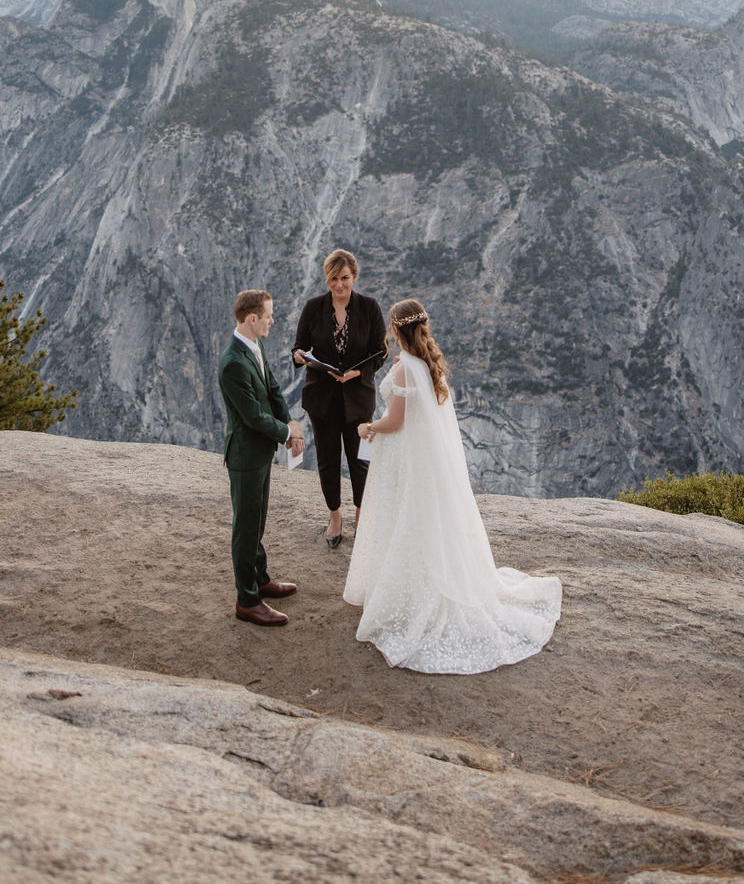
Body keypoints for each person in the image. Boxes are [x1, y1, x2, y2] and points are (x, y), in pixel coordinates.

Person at [344, 298, 562, 673]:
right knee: (422, 522)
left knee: (402, 520)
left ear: (395, 330)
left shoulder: (403, 371)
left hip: (404, 458)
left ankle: (411, 594)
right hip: (421, 458)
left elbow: (395, 421)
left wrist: (368, 427)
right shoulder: (428, 366)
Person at [218, 289, 305, 626]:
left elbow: (271, 389)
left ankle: (261, 578)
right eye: (268, 315)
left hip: (260, 452)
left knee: (257, 519)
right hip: (245, 455)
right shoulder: (232, 365)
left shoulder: (254, 347)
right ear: (252, 319)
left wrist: (289, 422)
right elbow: (253, 415)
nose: (273, 320)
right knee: (245, 526)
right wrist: (287, 434)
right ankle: (247, 600)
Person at [292, 249, 387, 548]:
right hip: (322, 398)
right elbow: (298, 349)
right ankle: (334, 515)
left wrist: (357, 372)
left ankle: (361, 514)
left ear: (354, 277)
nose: (339, 285)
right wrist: (299, 357)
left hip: (359, 398)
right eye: (333, 278)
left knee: (361, 460)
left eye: (344, 278)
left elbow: (380, 353)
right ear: (327, 279)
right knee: (327, 460)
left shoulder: (370, 308)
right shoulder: (313, 307)